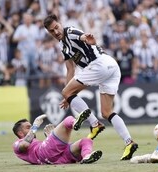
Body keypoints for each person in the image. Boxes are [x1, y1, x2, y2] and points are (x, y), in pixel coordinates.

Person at [43, 14, 138, 160]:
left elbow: (81, 36)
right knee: (106, 112)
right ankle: (129, 143)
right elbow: (70, 70)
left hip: (99, 64)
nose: (55, 32)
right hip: (111, 66)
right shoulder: (63, 46)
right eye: (51, 31)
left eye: (56, 27)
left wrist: (88, 38)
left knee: (66, 91)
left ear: (60, 24)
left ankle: (95, 124)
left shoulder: (70, 32)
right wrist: (68, 95)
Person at [12, 110, 103, 165]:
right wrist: (35, 126)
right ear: (20, 133)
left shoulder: (35, 143)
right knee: (68, 120)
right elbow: (24, 145)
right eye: (28, 127)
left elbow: (62, 146)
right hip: (44, 154)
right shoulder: (17, 143)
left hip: (57, 158)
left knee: (86, 141)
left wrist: (50, 137)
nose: (31, 128)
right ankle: (75, 123)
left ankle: (86, 157)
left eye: (31, 126)